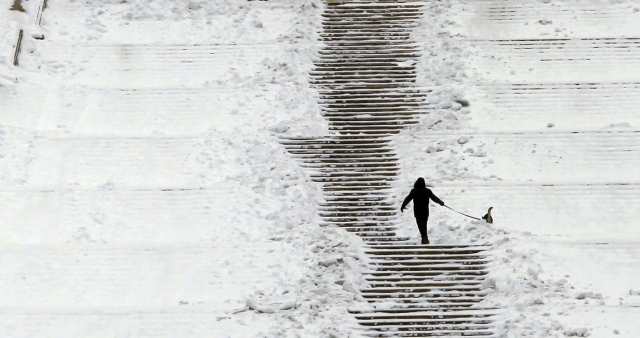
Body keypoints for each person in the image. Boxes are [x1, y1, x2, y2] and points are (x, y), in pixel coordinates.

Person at [400, 177, 445, 245]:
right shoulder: (427, 191)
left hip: (417, 210)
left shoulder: (414, 191)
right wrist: (441, 203)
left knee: (420, 224)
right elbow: (434, 198)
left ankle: (424, 237)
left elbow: (408, 198)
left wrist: (403, 206)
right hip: (425, 211)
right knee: (424, 224)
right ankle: (424, 237)